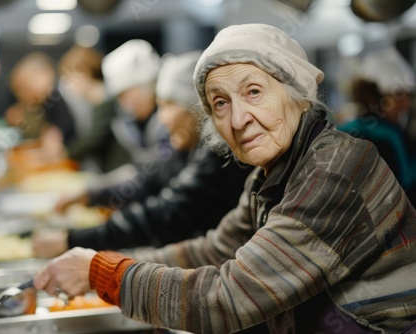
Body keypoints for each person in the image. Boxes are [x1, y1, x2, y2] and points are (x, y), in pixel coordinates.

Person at [34, 24, 416, 334]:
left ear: (297, 95)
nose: (237, 119)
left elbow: (229, 297)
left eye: (253, 92)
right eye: (220, 103)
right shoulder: (270, 176)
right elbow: (212, 251)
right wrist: (102, 262)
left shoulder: (334, 168)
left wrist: (104, 272)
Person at [32, 51, 252, 257]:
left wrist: (76, 239)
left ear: (196, 108)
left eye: (167, 106)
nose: (162, 120)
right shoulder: (187, 148)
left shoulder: (217, 153)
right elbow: (146, 177)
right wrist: (90, 193)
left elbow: (165, 213)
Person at [67, 39, 171, 174]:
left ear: (146, 86)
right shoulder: (130, 124)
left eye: (124, 95)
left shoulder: (166, 122)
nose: (123, 104)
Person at [337, 46, 416, 205]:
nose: (406, 104)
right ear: (375, 96)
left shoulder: (347, 131)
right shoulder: (379, 137)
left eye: (408, 96)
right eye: (399, 96)